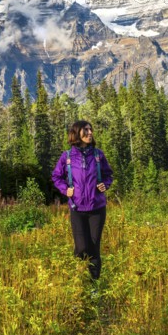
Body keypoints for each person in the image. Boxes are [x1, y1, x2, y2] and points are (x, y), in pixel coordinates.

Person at [52, 120, 113, 281]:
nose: (90, 133)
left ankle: (93, 285)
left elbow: (108, 174)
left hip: (97, 208)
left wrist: (105, 184)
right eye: (86, 130)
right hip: (77, 208)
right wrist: (66, 189)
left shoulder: (98, 155)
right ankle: (77, 279)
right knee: (81, 247)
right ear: (77, 133)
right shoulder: (67, 157)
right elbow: (56, 176)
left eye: (91, 130)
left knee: (94, 247)